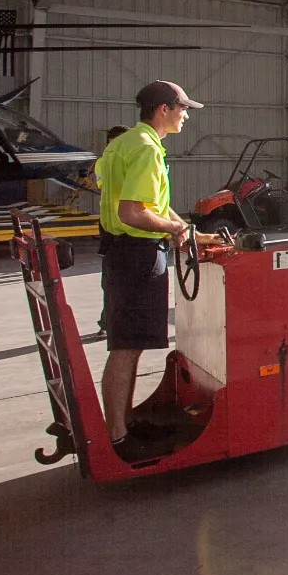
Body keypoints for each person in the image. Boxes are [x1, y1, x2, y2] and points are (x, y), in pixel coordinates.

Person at [95, 81, 218, 462]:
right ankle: (118, 437)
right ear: (163, 109)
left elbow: (151, 206)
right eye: (183, 109)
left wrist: (189, 230)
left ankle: (124, 424)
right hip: (136, 256)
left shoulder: (124, 143)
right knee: (126, 348)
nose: (186, 116)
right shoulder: (148, 150)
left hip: (119, 253)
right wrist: (174, 229)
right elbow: (132, 212)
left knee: (125, 345)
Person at [90, 125, 134, 343]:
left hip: (129, 224)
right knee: (112, 278)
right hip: (113, 226)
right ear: (109, 142)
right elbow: (108, 186)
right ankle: (108, 322)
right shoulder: (104, 163)